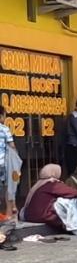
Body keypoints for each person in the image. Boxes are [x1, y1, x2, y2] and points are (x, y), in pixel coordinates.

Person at [19, 164, 77, 236]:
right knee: (70, 200)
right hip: (42, 215)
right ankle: (76, 226)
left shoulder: (39, 184)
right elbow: (72, 192)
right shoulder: (52, 184)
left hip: (29, 215)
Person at [0, 105, 17, 250]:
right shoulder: (4, 129)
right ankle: (8, 214)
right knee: (8, 188)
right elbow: (11, 146)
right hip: (3, 164)